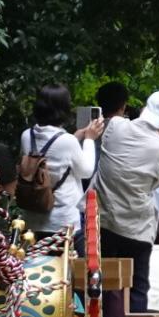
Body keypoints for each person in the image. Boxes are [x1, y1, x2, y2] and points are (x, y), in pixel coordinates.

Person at [93, 91, 159, 313]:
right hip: (137, 228)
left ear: (144, 108)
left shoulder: (115, 126)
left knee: (100, 282)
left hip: (104, 223)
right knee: (137, 286)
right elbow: (154, 184)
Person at [19, 84, 104, 235]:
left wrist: (75, 137)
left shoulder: (26, 135)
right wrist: (89, 139)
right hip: (62, 222)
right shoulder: (67, 141)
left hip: (31, 218)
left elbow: (49, 154)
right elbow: (86, 171)